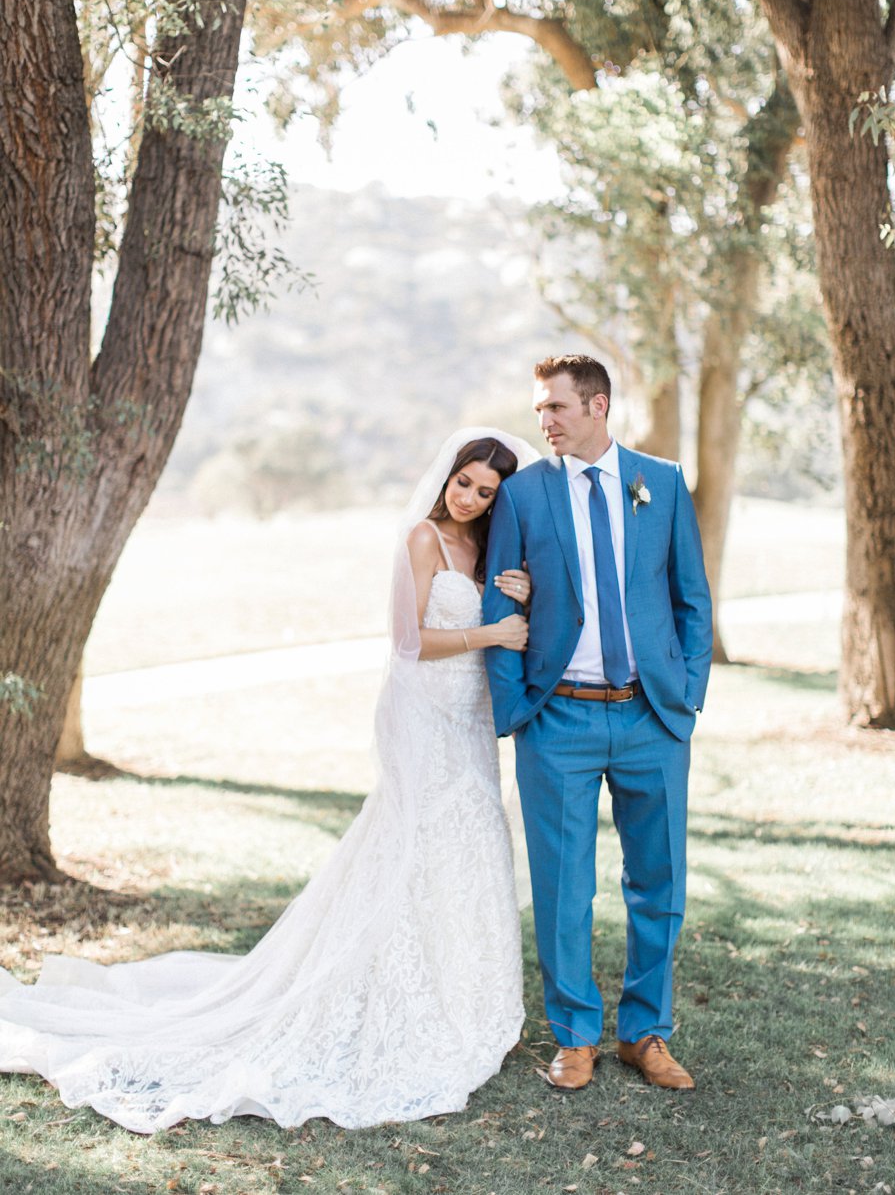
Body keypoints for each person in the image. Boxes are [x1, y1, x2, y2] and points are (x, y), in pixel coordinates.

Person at [0, 429, 537, 1133]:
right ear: (447, 478)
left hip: (469, 716)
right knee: (413, 842)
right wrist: (488, 636)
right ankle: (388, 995)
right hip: (419, 712)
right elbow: (408, 642)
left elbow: (510, 619)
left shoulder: (490, 550)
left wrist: (517, 596)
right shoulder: (423, 538)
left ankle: (463, 1001)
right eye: (463, 482)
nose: (467, 497)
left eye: (484, 491)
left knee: (468, 844)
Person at [483, 355, 713, 1093]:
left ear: (598, 406)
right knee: (562, 888)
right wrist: (519, 708)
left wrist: (688, 696)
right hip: (559, 722)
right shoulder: (521, 494)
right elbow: (499, 605)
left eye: (555, 407)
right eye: (539, 408)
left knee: (659, 883)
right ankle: (577, 1035)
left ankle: (645, 1034)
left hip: (652, 717)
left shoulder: (663, 483)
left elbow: (692, 601)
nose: (543, 421)